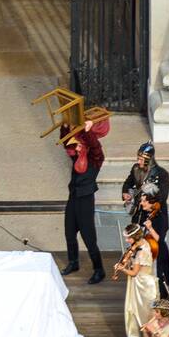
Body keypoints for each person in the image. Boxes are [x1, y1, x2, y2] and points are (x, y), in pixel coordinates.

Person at [124, 142, 169, 295]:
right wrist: (126, 193)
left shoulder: (162, 174)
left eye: (141, 159)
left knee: (158, 249)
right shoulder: (135, 169)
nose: (138, 161)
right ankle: (140, 278)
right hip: (140, 214)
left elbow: (162, 196)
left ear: (149, 159)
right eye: (138, 158)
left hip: (156, 214)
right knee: (139, 247)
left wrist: (149, 200)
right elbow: (128, 183)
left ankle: (163, 285)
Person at [59, 119, 106, 284]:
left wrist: (88, 131)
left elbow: (95, 146)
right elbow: (66, 142)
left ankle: (99, 270)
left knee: (89, 238)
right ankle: (73, 262)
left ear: (85, 147)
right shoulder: (77, 158)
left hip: (85, 200)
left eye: (79, 146)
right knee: (69, 233)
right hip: (73, 198)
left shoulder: (95, 159)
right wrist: (65, 127)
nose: (76, 148)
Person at [120, 224, 160, 337]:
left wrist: (122, 269)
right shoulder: (142, 243)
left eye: (128, 238)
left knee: (142, 311)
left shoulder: (141, 252)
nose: (127, 241)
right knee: (142, 310)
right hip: (144, 281)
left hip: (142, 285)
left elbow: (134, 273)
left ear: (135, 237)